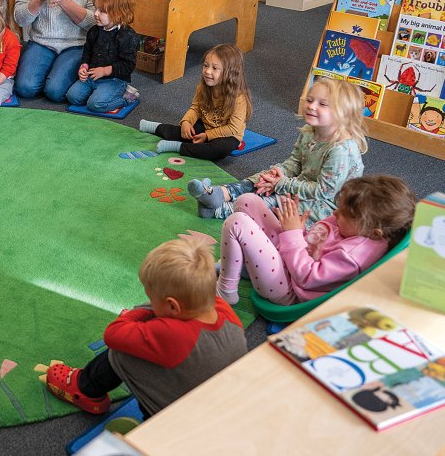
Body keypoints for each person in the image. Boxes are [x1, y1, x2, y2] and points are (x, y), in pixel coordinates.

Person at [45, 238, 247, 418]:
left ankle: (85, 388)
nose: (149, 302)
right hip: (226, 406)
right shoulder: (225, 312)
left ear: (172, 306)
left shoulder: (174, 334)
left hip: (183, 423)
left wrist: (131, 314)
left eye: (151, 299)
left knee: (124, 353)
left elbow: (113, 334)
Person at [187, 77, 367, 223]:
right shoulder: (309, 131)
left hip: (325, 206)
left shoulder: (340, 150)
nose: (312, 106)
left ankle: (220, 210)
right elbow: (295, 163)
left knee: (280, 201)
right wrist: (276, 174)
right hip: (302, 184)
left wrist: (280, 184)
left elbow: (324, 191)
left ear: (343, 113)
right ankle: (221, 194)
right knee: (262, 178)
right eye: (310, 100)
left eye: (323, 104)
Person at [216, 175, 414, 306]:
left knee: (237, 222)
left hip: (290, 288)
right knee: (247, 200)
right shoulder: (354, 226)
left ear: (375, 233)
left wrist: (292, 235)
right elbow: (314, 242)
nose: (336, 213)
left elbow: (307, 277)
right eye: (340, 207)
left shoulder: (352, 256)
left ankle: (226, 289)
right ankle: (245, 266)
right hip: (289, 259)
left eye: (345, 213)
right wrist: (298, 230)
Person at [139, 44, 252, 160]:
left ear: (230, 73)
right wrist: (186, 122)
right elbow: (196, 108)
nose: (207, 71)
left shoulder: (238, 98)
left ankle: (179, 147)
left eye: (215, 68)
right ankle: (156, 127)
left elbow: (233, 128)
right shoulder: (203, 87)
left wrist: (208, 135)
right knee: (183, 132)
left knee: (220, 149)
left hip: (228, 135)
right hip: (206, 125)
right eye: (206, 65)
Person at [65, 0, 141, 113]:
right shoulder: (94, 31)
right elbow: (88, 51)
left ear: (118, 14)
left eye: (102, 11)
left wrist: (105, 71)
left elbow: (128, 65)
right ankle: (98, 94)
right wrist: (84, 66)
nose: (95, 13)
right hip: (92, 76)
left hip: (115, 79)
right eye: (96, 9)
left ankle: (127, 98)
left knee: (95, 104)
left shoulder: (127, 36)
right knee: (72, 97)